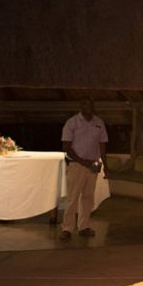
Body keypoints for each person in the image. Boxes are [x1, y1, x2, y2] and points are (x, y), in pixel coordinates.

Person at [59, 98, 108, 240]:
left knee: (88, 197)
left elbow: (102, 145)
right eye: (85, 104)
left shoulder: (99, 122)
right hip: (76, 165)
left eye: (90, 104)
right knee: (72, 197)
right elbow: (66, 147)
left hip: (93, 165)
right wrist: (83, 161)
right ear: (80, 106)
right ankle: (67, 228)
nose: (88, 107)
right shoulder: (72, 122)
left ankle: (84, 226)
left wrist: (105, 165)